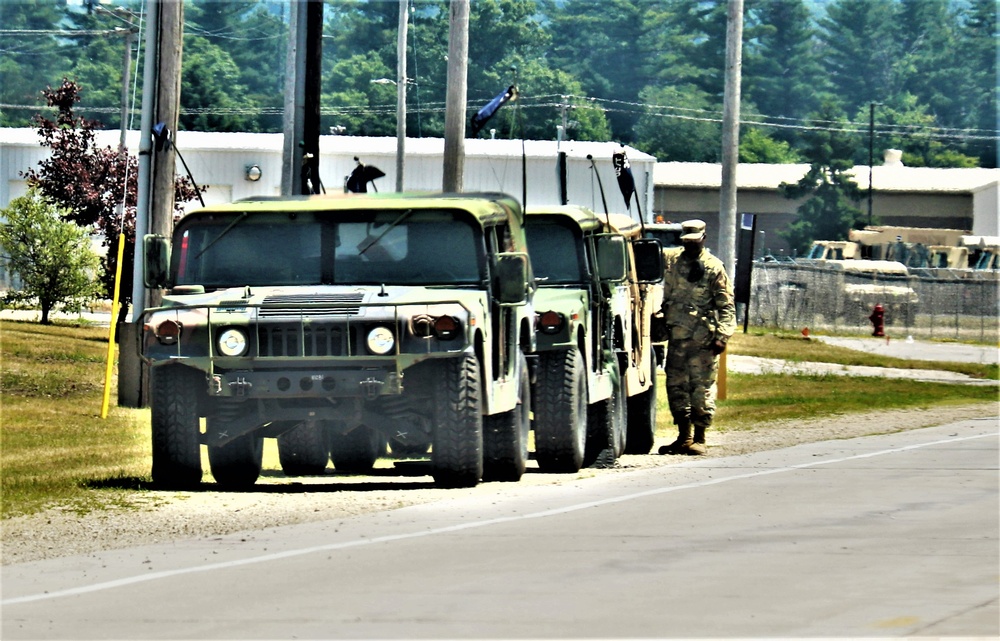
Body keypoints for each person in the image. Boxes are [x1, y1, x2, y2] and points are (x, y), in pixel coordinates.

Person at [657, 219, 736, 455]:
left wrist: (722, 336)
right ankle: (684, 436)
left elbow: (727, 306)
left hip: (703, 340)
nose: (690, 247)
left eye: (695, 242)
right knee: (676, 387)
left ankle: (700, 437)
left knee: (700, 388)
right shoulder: (672, 261)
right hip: (677, 338)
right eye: (687, 242)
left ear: (704, 239)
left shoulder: (714, 267)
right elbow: (649, 258)